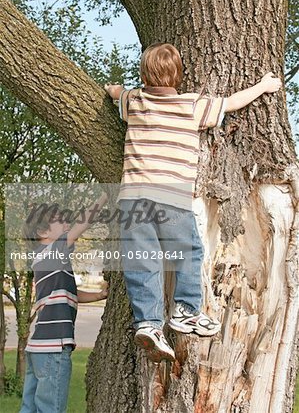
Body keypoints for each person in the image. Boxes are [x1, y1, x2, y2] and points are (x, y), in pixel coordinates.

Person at [105, 43, 282, 363]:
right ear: (178, 76)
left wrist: (112, 89)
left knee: (141, 260)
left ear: (144, 75)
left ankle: (148, 323)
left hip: (133, 199)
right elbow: (231, 103)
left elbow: (118, 93)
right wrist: (264, 86)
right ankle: (185, 311)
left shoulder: (136, 101)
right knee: (189, 251)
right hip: (172, 198)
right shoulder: (191, 105)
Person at [19, 193, 108, 413]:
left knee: (29, 409)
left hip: (37, 348)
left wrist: (98, 295)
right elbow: (82, 224)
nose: (67, 223)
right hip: (52, 348)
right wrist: (104, 196)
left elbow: (69, 293)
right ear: (43, 232)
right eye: (61, 220)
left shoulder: (42, 260)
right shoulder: (53, 251)